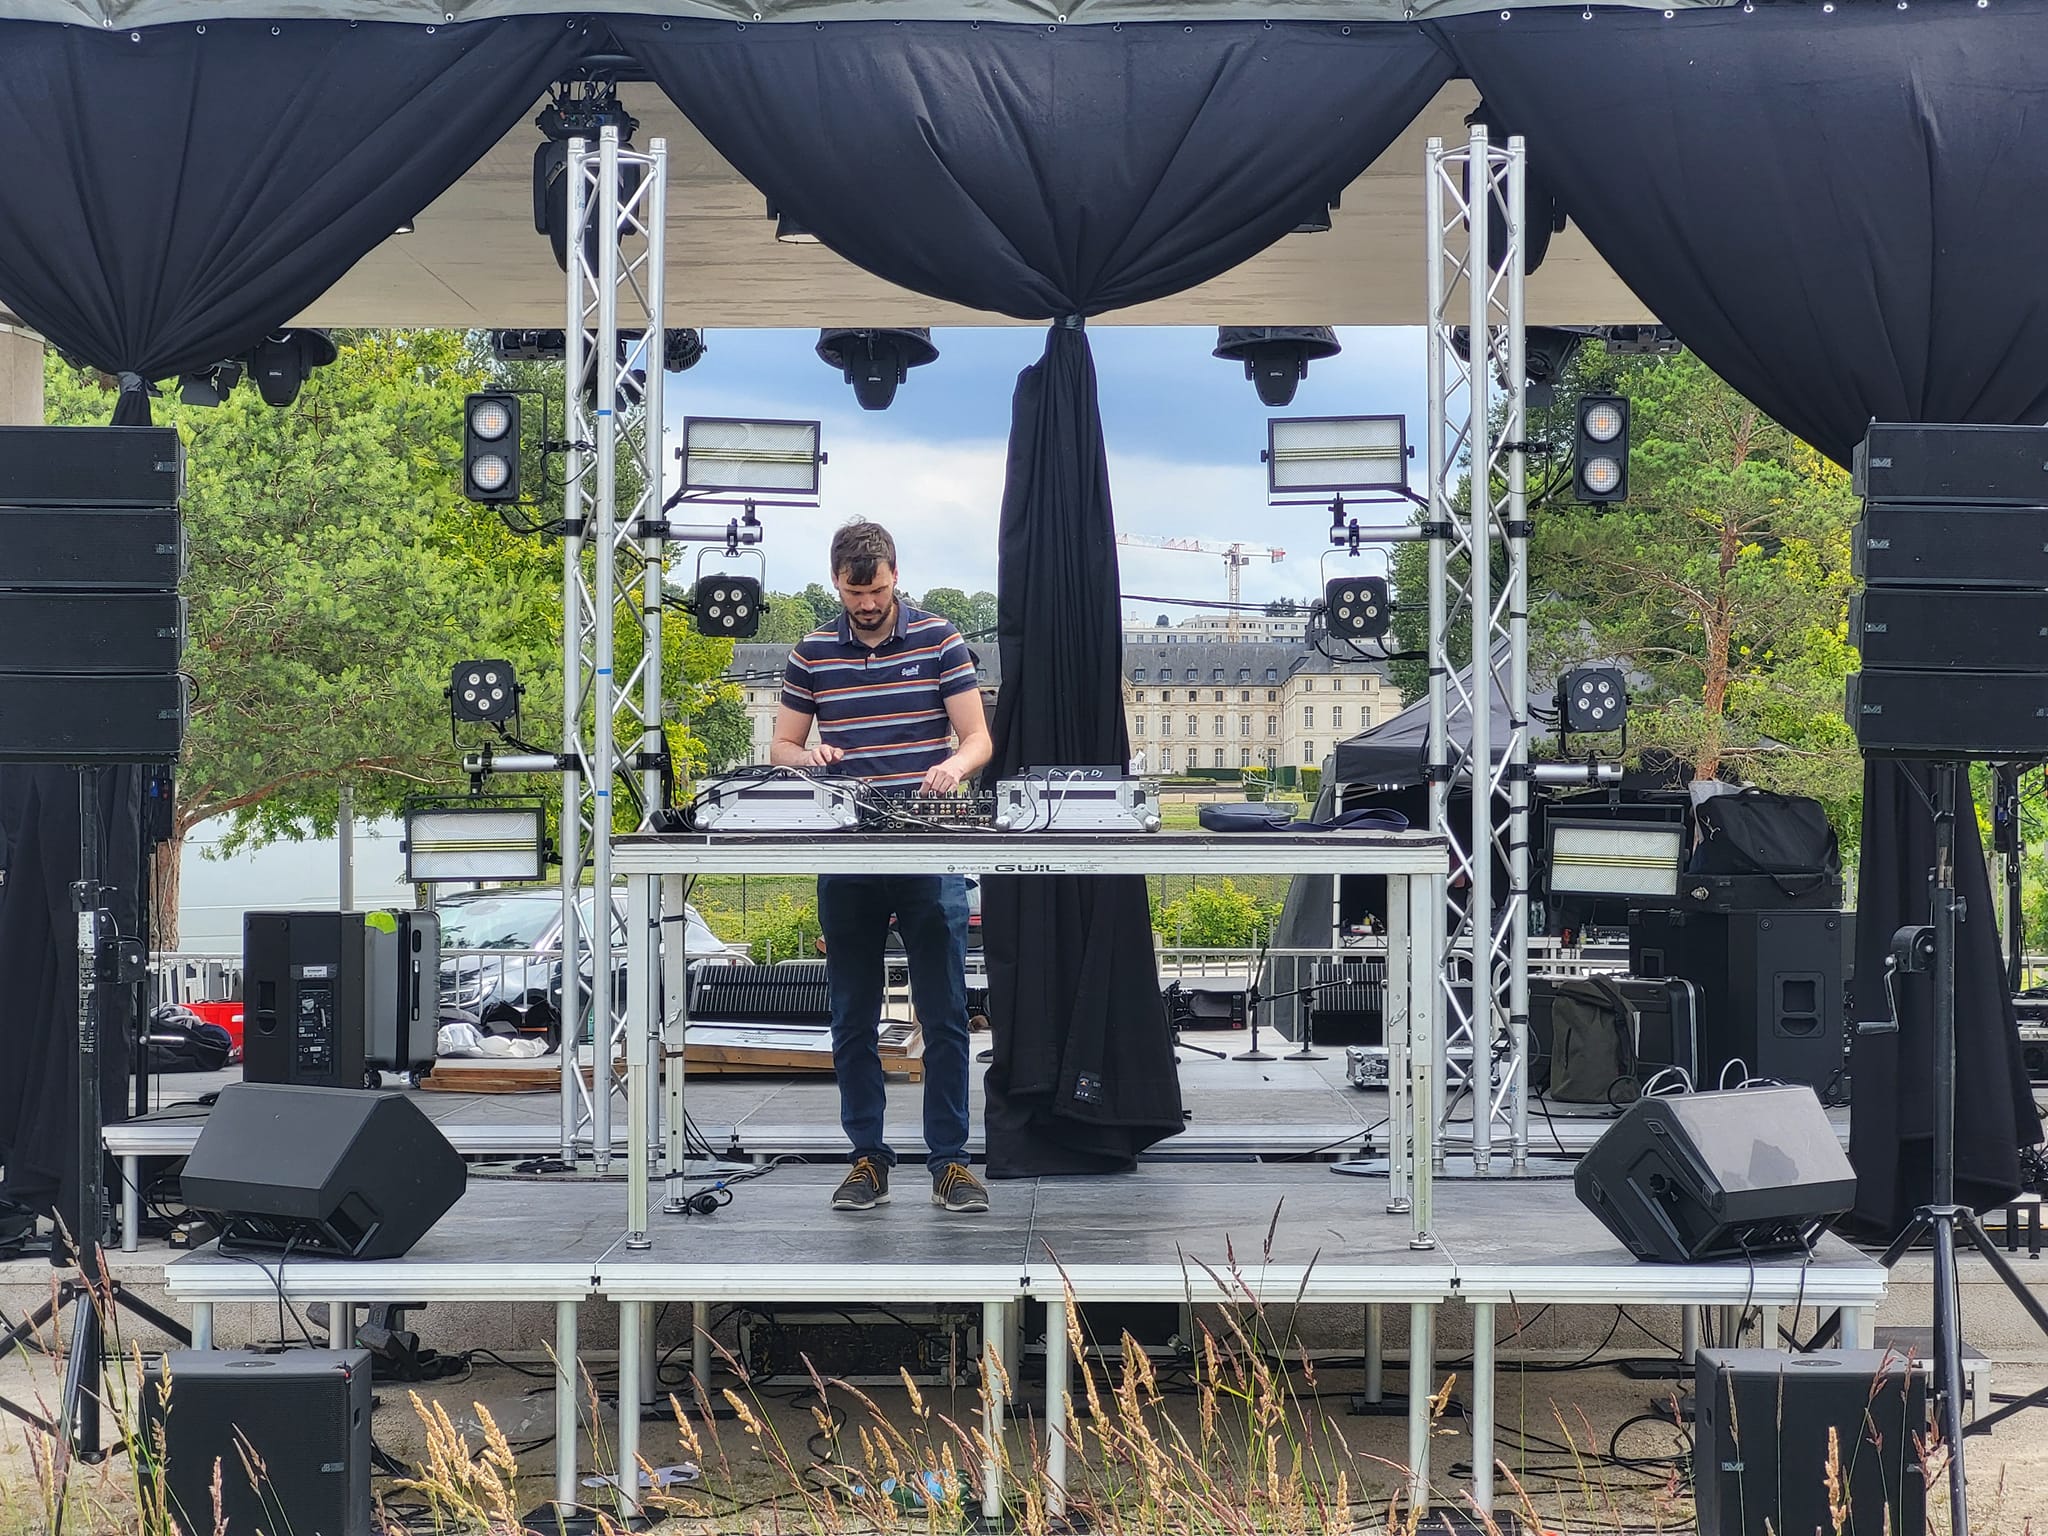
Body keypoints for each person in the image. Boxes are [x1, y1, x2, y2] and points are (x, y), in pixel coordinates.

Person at [770, 521, 994, 1214]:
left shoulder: (939, 638)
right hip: (847, 846)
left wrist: (954, 766)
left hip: (926, 844)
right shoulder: (811, 653)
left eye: (877, 590)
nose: (866, 605)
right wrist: (811, 759)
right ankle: (867, 1156)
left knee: (946, 1015)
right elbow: (782, 746)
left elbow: (978, 736)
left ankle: (949, 1162)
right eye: (853, 592)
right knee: (852, 1017)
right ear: (835, 580)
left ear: (896, 573)